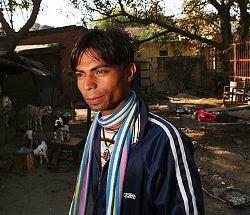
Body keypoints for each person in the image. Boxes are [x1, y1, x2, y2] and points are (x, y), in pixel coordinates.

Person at [69, 29, 204, 215]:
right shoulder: (96, 132)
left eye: (100, 71)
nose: (87, 85)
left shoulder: (163, 141)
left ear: (129, 72)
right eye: (80, 74)